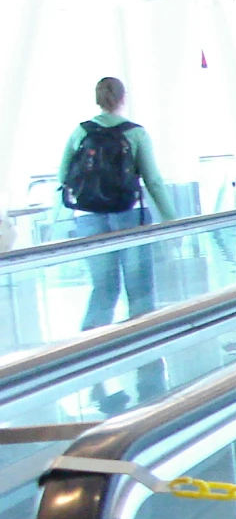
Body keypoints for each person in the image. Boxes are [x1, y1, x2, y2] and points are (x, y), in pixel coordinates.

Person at [60, 75, 176, 331]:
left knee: (103, 285)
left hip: (88, 215)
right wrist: (171, 219)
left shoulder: (81, 131)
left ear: (98, 100)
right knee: (139, 286)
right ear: (123, 98)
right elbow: (153, 181)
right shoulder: (135, 133)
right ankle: (143, 339)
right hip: (129, 214)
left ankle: (89, 347)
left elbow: (63, 176)